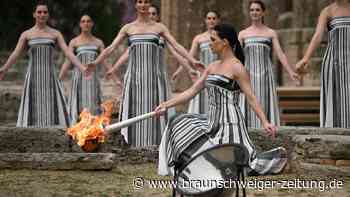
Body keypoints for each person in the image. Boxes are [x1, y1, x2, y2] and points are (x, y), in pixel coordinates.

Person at [155, 24, 287, 177]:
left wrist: (265, 121)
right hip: (212, 122)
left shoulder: (237, 67)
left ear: (224, 42)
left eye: (213, 40)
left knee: (232, 167)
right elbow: (191, 91)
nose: (210, 43)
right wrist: (166, 104)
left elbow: (251, 97)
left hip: (230, 125)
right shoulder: (211, 67)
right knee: (178, 122)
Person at [89, 0, 200, 147]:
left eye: (146, 1)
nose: (143, 5)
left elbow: (176, 45)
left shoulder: (159, 27)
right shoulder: (128, 28)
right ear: (136, 5)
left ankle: (160, 146)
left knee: (156, 109)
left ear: (149, 4)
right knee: (134, 109)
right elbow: (111, 47)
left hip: (154, 78)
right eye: (140, 1)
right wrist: (96, 62)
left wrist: (192, 61)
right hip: (134, 77)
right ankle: (131, 145)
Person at [0, 2, 89, 128]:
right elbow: (15, 54)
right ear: (34, 15)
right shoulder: (27, 34)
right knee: (33, 104)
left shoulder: (55, 33)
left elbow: (68, 52)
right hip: (33, 76)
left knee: (52, 103)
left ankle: (55, 131)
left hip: (50, 76)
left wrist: (82, 67)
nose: (42, 14)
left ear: (48, 15)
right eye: (39, 12)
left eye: (45, 12)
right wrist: (4, 68)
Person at [238, 0, 299, 128]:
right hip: (248, 75)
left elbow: (280, 53)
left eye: (257, 10)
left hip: (266, 74)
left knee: (266, 101)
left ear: (263, 12)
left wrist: (291, 72)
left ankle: (269, 131)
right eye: (252, 10)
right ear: (249, 13)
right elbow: (237, 57)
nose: (254, 12)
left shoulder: (270, 33)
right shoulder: (243, 34)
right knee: (249, 102)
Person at [296, 0, 350, 128]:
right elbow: (318, 36)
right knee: (335, 98)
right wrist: (305, 58)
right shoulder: (327, 11)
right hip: (334, 62)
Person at [59, 15, 118, 125]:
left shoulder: (98, 42)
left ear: (92, 24)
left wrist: (115, 78)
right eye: (83, 21)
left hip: (93, 79)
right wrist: (59, 79)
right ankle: (78, 129)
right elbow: (68, 61)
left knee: (93, 103)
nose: (86, 23)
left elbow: (105, 60)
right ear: (80, 24)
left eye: (88, 21)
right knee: (79, 105)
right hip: (79, 79)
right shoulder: (74, 42)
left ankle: (93, 129)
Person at [172, 11, 220, 114]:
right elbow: (190, 56)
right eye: (209, 18)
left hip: (218, 73)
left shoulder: (221, 37)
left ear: (218, 20)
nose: (211, 21)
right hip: (202, 74)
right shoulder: (199, 38)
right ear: (205, 20)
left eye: (214, 18)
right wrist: (179, 71)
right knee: (201, 102)